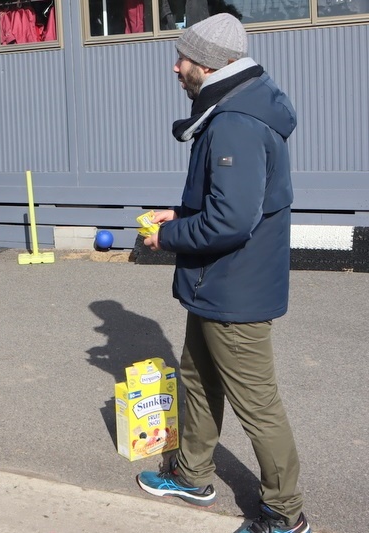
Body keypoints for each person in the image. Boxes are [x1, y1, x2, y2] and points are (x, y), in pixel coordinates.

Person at [135, 14, 309, 533]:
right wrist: (180, 215)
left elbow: (231, 221)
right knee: (198, 378)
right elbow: (227, 203)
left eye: (183, 58)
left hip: (234, 290)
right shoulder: (241, 102)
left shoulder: (237, 119)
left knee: (258, 406)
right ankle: (193, 475)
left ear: (208, 64)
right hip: (218, 285)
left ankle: (285, 514)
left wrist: (167, 237)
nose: (176, 67)